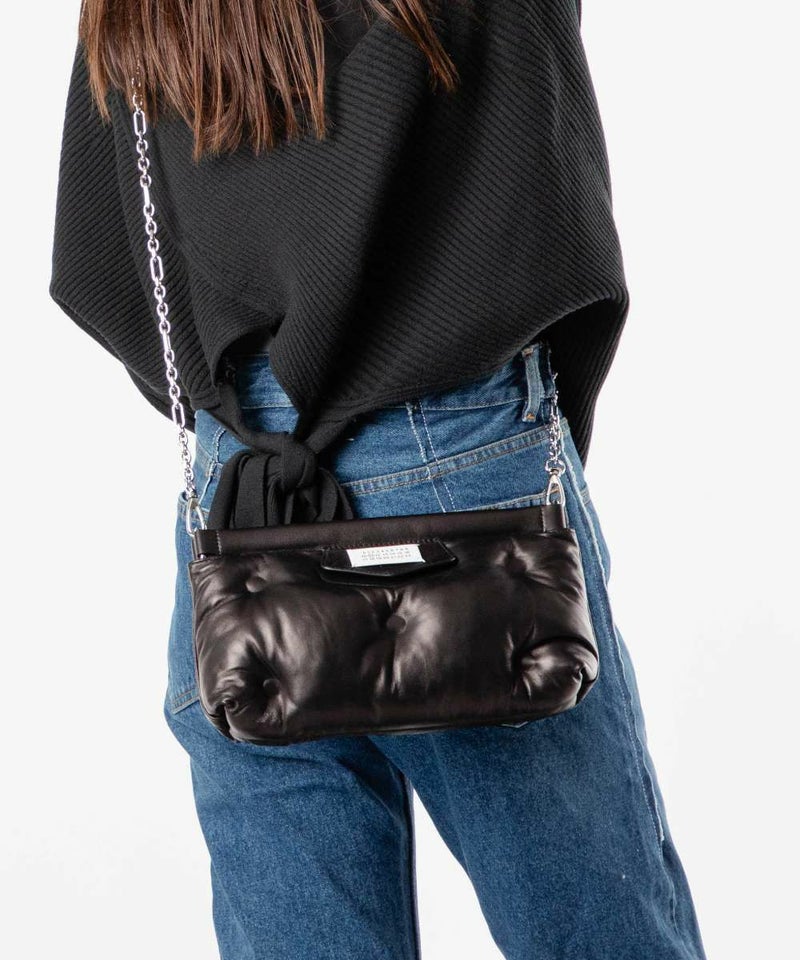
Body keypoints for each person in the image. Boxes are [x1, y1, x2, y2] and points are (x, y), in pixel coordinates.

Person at [49, 1, 708, 956]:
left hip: (240, 506)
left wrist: (245, 410)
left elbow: (98, 256)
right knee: (595, 927)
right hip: (459, 460)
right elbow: (547, 197)